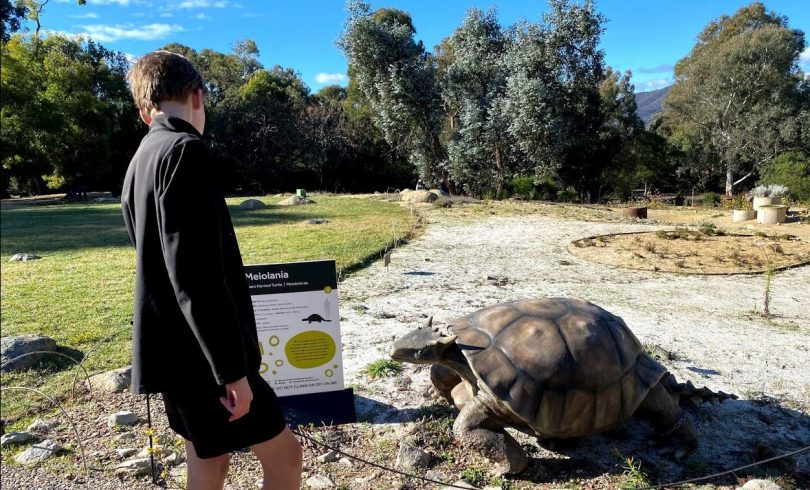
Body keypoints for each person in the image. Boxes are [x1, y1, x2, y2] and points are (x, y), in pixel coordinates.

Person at [120, 51, 302, 490]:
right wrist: (231, 372)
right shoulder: (185, 151)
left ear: (147, 111)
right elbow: (194, 276)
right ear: (198, 95)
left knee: (208, 460)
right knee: (285, 457)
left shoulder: (140, 160)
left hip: (173, 354)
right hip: (206, 358)